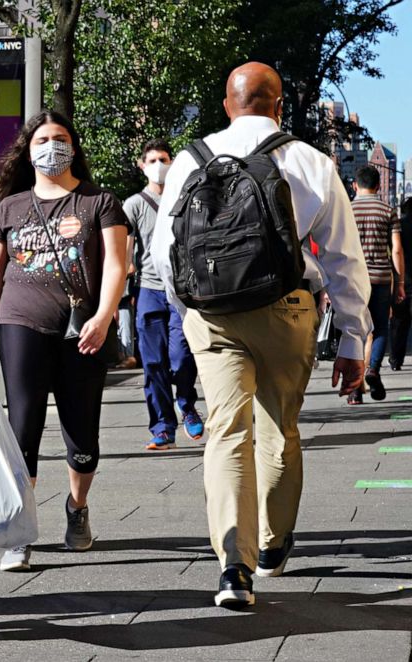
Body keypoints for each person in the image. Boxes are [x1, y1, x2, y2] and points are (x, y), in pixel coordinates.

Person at [151, 62, 370, 609]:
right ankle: (271, 547)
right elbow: (344, 259)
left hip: (214, 315)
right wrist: (353, 339)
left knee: (227, 432)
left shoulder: (190, 159)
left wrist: (191, 312)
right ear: (277, 106)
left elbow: (163, 251)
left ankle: (233, 567)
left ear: (227, 104)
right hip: (287, 310)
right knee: (279, 430)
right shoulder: (308, 160)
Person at [0, 110, 128, 573]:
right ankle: (18, 530)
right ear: (28, 149)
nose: (51, 147)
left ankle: (77, 507)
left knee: (81, 435)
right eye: (42, 139)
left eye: (60, 138)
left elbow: (118, 265)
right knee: (21, 429)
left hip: (82, 331)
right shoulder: (8, 208)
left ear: (74, 146)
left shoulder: (99, 202)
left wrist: (104, 317)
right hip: (20, 325)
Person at [123, 139, 203, 450]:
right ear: (142, 165)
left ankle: (187, 404)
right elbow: (126, 250)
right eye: (153, 159)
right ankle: (162, 427)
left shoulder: (183, 199)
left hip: (181, 291)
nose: (159, 165)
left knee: (182, 357)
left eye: (164, 159)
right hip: (149, 290)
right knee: (153, 362)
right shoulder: (133, 204)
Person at [349, 166, 406, 402]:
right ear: (379, 186)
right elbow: (397, 250)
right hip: (381, 278)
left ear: (355, 185)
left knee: (354, 332)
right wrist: (400, 282)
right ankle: (373, 369)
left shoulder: (347, 210)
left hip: (353, 279)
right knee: (381, 327)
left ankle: (354, 389)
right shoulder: (388, 210)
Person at [389, 199, 412, 370]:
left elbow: (395, 251)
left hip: (402, 279)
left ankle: (396, 359)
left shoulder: (400, 227)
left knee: (399, 321)